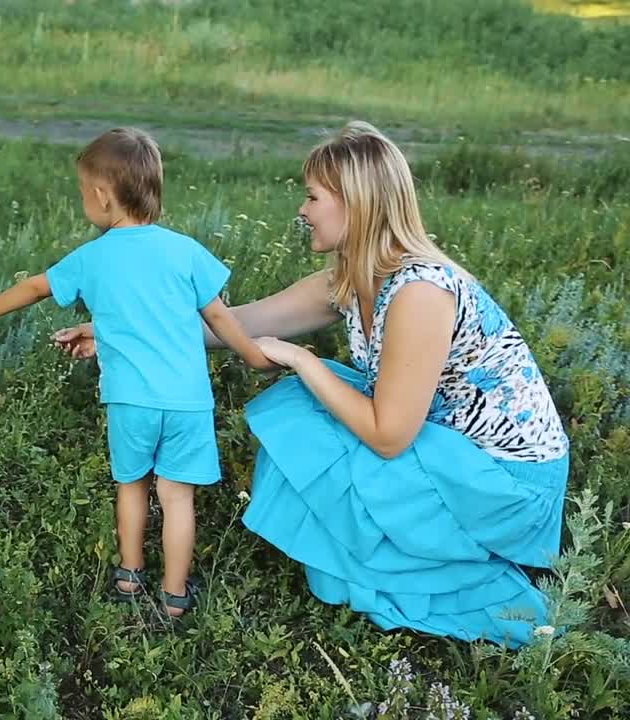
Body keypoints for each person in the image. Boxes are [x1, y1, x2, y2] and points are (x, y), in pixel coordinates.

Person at [52, 121, 570, 648]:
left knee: (310, 401)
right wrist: (119, 332)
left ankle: (457, 566)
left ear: (357, 204)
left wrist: (304, 359)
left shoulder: (420, 293)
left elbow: (389, 435)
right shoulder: (348, 279)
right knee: (302, 413)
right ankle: (392, 552)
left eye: (313, 196)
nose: (302, 210)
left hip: (505, 485)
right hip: (445, 451)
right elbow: (236, 323)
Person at [0, 127, 274, 617]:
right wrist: (253, 355)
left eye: (83, 192)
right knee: (177, 497)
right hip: (187, 401)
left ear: (103, 197)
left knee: (131, 486)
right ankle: (175, 596)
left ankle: (130, 577)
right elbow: (218, 316)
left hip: (130, 400)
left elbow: (35, 287)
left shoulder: (93, 257)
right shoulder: (185, 250)